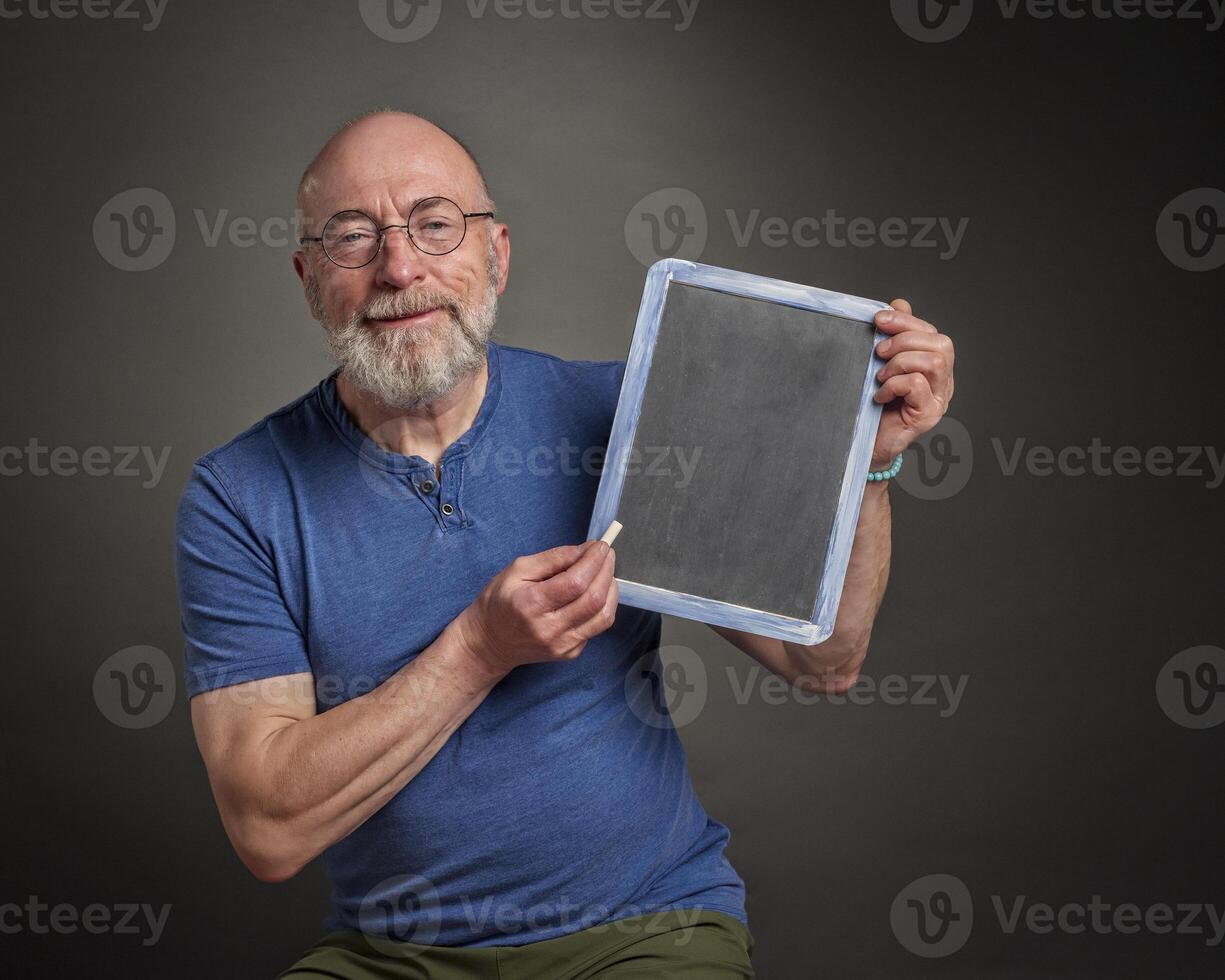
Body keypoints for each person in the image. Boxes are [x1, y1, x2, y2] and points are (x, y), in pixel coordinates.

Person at [174, 109, 956, 978]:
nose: (400, 268)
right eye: (353, 238)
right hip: (389, 955)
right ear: (309, 278)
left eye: (435, 225)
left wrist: (870, 467)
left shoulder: (620, 416)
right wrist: (478, 650)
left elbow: (823, 664)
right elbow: (267, 828)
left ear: (496, 253)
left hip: (643, 932)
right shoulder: (240, 494)